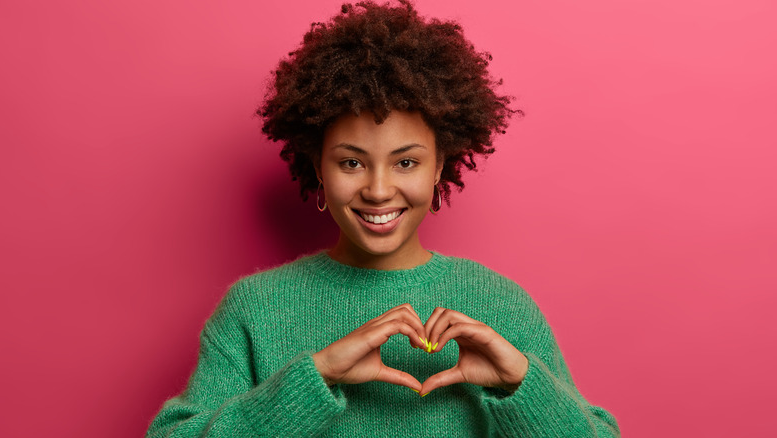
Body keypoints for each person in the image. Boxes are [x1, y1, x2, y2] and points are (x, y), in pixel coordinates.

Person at [146, 1, 620, 436]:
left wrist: (521, 386)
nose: (377, 190)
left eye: (406, 162)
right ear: (318, 168)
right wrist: (315, 377)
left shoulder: (501, 306)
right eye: (351, 162)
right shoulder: (255, 309)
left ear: (439, 166)